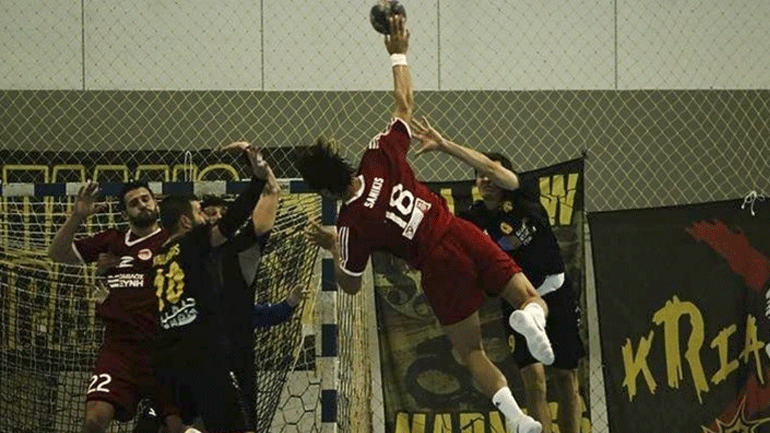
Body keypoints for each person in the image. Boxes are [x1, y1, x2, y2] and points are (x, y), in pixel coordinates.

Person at [299, 15, 550, 433]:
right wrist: (398, 51)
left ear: (324, 190)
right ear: (343, 162)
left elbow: (349, 284)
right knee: (525, 294)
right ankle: (533, 321)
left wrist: (332, 245)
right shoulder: (377, 153)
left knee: (470, 351)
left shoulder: (349, 225)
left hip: (434, 266)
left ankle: (516, 418)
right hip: (456, 231)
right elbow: (404, 103)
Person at [410, 118, 586, 433]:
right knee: (534, 383)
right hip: (517, 301)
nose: (485, 179)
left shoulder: (523, 195)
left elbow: (495, 169)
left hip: (555, 294)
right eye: (479, 176)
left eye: (490, 174)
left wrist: (445, 145)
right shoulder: (474, 219)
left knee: (565, 377)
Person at [150, 142, 272, 433]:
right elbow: (232, 220)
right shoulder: (193, 242)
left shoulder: (157, 258)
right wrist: (257, 180)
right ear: (184, 221)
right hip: (204, 354)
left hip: (167, 359)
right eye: (199, 212)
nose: (205, 218)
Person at [47, 180, 183, 433]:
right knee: (94, 420)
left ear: (156, 203)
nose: (142, 205)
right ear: (124, 214)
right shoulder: (112, 240)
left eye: (145, 199)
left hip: (163, 349)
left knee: (177, 427)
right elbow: (57, 253)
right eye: (134, 203)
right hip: (119, 350)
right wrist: (77, 216)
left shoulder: (173, 242)